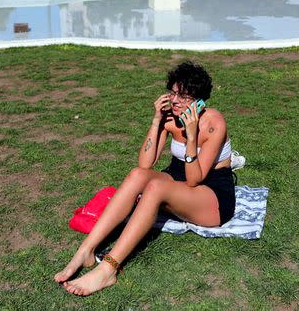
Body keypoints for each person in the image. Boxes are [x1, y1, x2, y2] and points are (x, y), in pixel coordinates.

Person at [55, 61, 235, 296]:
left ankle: (108, 269)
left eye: (184, 96)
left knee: (156, 187)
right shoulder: (171, 118)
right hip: (179, 181)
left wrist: (191, 137)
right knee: (138, 175)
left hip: (211, 194)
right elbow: (145, 164)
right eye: (173, 93)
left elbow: (194, 180)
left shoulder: (213, 123)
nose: (175, 101)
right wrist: (156, 121)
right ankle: (85, 250)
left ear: (200, 101)